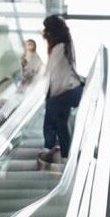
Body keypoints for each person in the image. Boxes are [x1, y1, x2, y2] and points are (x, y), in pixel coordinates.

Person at [39, 15, 83, 165]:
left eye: (47, 29)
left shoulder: (59, 47)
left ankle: (48, 148)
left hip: (67, 91)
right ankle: (65, 156)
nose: (45, 32)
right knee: (61, 122)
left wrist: (49, 98)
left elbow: (54, 76)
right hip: (73, 90)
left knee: (51, 115)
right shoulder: (67, 44)